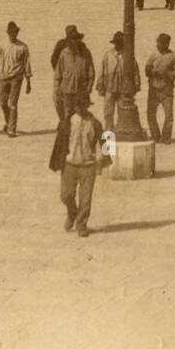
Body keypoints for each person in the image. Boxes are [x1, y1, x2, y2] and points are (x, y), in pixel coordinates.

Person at [49, 90, 106, 237]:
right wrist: (57, 163)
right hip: (70, 165)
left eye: (83, 105)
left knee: (85, 199)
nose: (80, 108)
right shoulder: (67, 122)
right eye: (78, 105)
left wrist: (103, 157)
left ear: (87, 106)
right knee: (65, 195)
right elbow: (59, 144)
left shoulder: (94, 123)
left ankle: (81, 225)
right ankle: (72, 212)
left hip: (88, 165)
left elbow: (107, 138)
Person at [0, 20, 31, 137]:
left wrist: (28, 83)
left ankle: (12, 129)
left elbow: (27, 65)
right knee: (2, 102)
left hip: (17, 78)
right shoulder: (1, 46)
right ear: (7, 33)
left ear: (17, 32)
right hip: (3, 77)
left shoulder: (23, 47)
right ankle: (8, 121)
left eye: (15, 32)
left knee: (13, 104)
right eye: (11, 32)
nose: (13, 34)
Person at [96, 31, 140, 133]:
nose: (118, 45)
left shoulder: (128, 55)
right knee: (108, 112)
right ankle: (109, 131)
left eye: (120, 43)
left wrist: (136, 84)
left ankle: (121, 131)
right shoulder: (107, 55)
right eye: (116, 43)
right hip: (110, 88)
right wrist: (100, 85)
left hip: (123, 90)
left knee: (123, 111)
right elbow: (102, 71)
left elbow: (135, 71)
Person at [144, 33, 175, 143]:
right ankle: (156, 136)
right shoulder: (153, 55)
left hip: (167, 90)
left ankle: (166, 137)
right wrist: (150, 71)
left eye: (160, 43)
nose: (158, 45)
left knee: (169, 115)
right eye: (157, 43)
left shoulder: (173, 57)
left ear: (166, 44)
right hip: (153, 89)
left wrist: (169, 74)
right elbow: (147, 69)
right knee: (151, 114)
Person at [53, 25, 95, 122]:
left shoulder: (86, 53)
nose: (74, 43)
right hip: (67, 90)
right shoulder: (64, 53)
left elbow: (91, 72)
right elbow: (58, 74)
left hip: (81, 91)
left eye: (76, 40)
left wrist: (89, 87)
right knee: (67, 115)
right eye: (72, 41)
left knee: (82, 115)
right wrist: (57, 89)